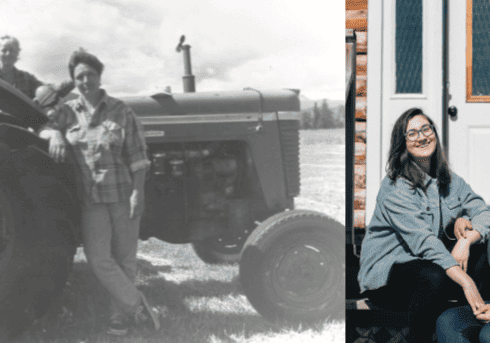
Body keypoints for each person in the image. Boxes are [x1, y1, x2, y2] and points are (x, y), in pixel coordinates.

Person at [38, 49, 161, 336]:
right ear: (74, 80)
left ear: (99, 76)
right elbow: (42, 126)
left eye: (90, 75)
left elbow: (138, 155)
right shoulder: (67, 112)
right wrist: (55, 134)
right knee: (98, 259)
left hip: (122, 195)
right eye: (79, 76)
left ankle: (119, 317)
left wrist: (138, 193)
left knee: (125, 260)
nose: (85, 81)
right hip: (91, 201)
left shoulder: (120, 111)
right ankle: (136, 304)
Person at [357, 108, 490, 343]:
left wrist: (466, 237)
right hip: (388, 276)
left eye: (426, 129)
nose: (421, 137)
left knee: (480, 255)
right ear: (402, 144)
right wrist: (466, 282)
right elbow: (425, 243)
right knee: (434, 275)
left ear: (434, 133)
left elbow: (482, 210)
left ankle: (480, 327)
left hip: (429, 265)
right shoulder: (395, 188)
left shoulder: (448, 180)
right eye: (412, 133)